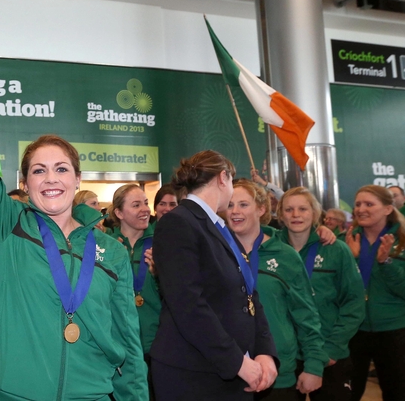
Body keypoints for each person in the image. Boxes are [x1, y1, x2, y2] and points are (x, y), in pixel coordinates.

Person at [0, 5, 147, 400]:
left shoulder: (111, 251)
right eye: (38, 171)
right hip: (13, 393)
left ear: (77, 179)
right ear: (25, 182)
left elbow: (129, 344)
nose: (50, 178)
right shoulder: (5, 225)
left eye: (60, 169)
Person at [151, 150, 278, 399]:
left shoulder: (220, 228)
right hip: (194, 375)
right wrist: (238, 363)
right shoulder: (179, 222)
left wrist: (264, 352)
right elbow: (189, 306)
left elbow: (248, 294)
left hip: (232, 370)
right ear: (223, 178)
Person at [227, 180, 327, 400]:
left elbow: (306, 315)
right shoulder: (216, 253)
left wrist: (313, 366)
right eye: (230, 204)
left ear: (261, 209)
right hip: (229, 372)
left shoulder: (285, 255)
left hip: (277, 373)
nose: (235, 211)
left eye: (243, 204)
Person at [275, 187, 365, 401]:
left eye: (303, 209)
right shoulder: (269, 247)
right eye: (289, 209)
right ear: (280, 214)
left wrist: (333, 349)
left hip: (328, 354)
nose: (296, 215)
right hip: (284, 356)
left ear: (315, 214)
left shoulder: (337, 250)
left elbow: (354, 303)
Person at [346, 185, 405, 401]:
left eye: (369, 204)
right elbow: (337, 291)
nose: (361, 209)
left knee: (400, 395)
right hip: (352, 332)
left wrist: (387, 263)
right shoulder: (344, 243)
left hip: (395, 331)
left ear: (388, 209)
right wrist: (352, 259)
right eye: (358, 204)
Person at [109, 184, 159, 398]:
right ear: (119, 213)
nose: (145, 209)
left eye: (146, 203)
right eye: (136, 205)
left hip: (155, 344)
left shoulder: (162, 242)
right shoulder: (106, 247)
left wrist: (159, 275)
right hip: (117, 346)